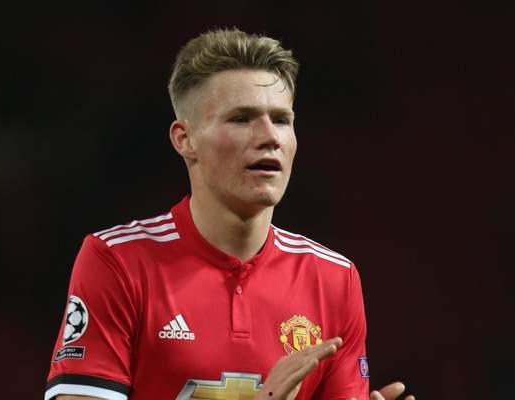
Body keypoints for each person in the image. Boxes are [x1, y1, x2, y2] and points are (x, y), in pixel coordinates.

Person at [45, 28, 415, 400]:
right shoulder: (118, 261)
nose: (270, 137)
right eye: (241, 118)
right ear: (185, 139)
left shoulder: (334, 279)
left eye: (281, 120)